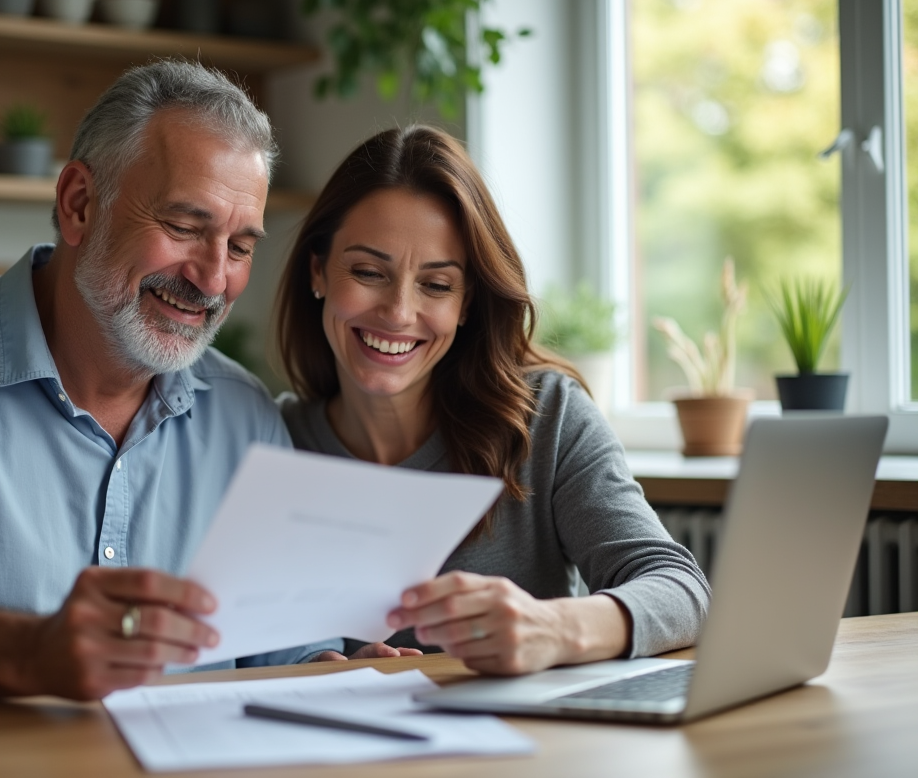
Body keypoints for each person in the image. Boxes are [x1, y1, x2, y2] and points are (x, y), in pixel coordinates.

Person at [0, 61, 400, 700]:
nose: (211, 278)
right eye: (183, 226)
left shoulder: (244, 414)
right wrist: (29, 653)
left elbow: (273, 638)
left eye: (239, 246)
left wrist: (330, 667)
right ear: (79, 204)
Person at [274, 125, 711, 675]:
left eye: (436, 285)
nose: (399, 313)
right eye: (368, 272)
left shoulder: (544, 416)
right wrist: (327, 660)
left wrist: (555, 628)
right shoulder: (270, 438)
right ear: (318, 271)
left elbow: (682, 591)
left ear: (466, 302)